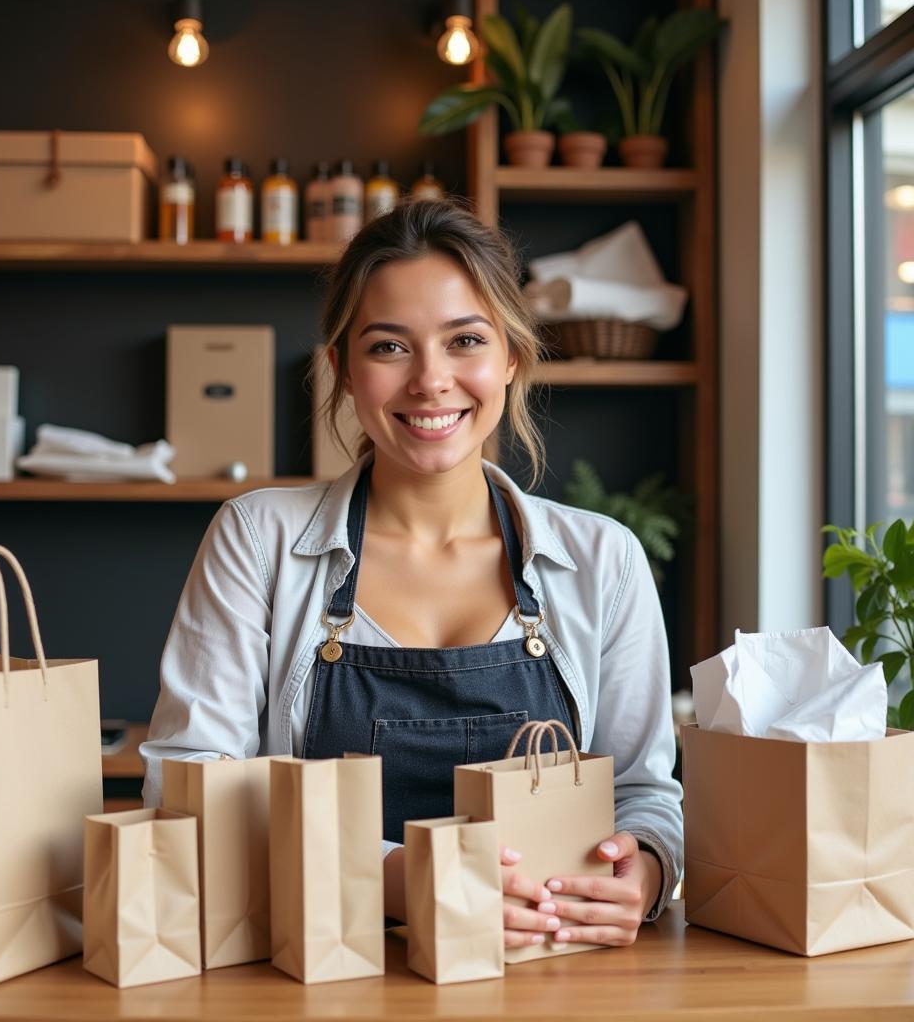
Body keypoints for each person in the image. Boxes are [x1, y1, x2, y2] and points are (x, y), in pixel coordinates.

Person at [142, 199, 683, 949]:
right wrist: (402, 879)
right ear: (342, 368)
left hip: (547, 975)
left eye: (465, 340)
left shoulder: (604, 559)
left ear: (511, 359)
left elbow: (643, 792)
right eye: (390, 347)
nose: (432, 381)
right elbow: (189, 782)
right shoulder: (257, 538)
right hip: (323, 971)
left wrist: (647, 868)